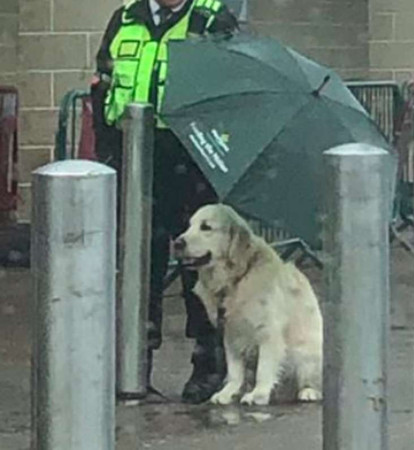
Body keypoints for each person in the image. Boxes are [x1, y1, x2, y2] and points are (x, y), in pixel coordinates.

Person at [91, 0, 238, 404]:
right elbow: (103, 85)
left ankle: (208, 368)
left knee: (201, 270)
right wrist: (107, 153)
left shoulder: (211, 18)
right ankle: (134, 369)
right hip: (134, 155)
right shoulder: (125, 17)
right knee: (139, 267)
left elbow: (230, 90)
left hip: (190, 159)